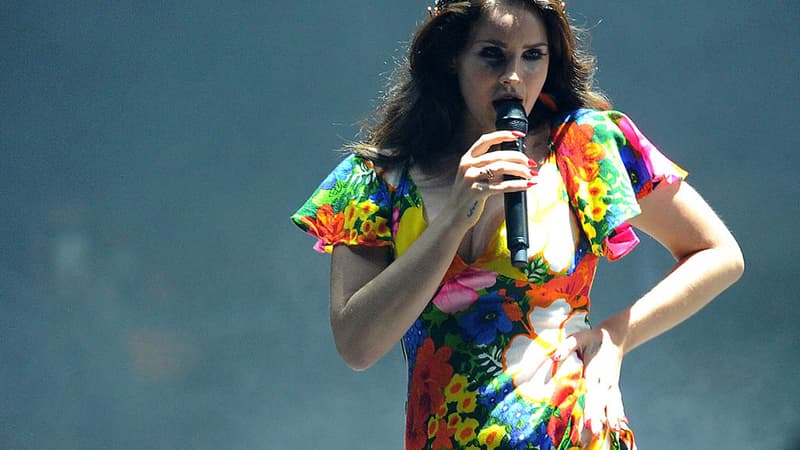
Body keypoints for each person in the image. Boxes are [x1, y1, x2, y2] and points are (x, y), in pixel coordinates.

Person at [291, 0, 744, 448]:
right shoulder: (378, 182)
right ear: (452, 58)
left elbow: (719, 254)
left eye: (533, 56)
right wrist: (452, 220)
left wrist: (616, 336)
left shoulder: (585, 146)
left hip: (574, 434)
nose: (514, 77)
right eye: (492, 54)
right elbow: (357, 346)